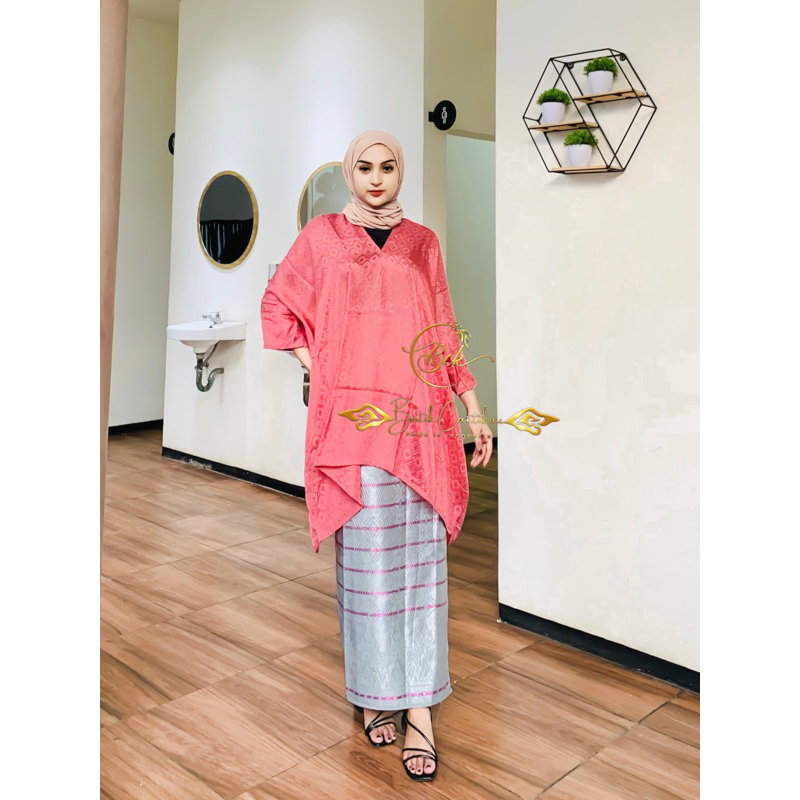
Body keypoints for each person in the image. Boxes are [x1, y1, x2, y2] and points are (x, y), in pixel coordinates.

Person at [261, 130, 492, 782]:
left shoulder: (422, 243)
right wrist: (318, 366)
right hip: (355, 427)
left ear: (400, 173)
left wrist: (473, 408)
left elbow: (441, 330)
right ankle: (373, 694)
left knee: (420, 571)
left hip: (420, 426)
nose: (376, 177)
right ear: (349, 172)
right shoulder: (323, 238)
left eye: (388, 167)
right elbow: (279, 302)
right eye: (364, 167)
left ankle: (419, 708)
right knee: (367, 569)